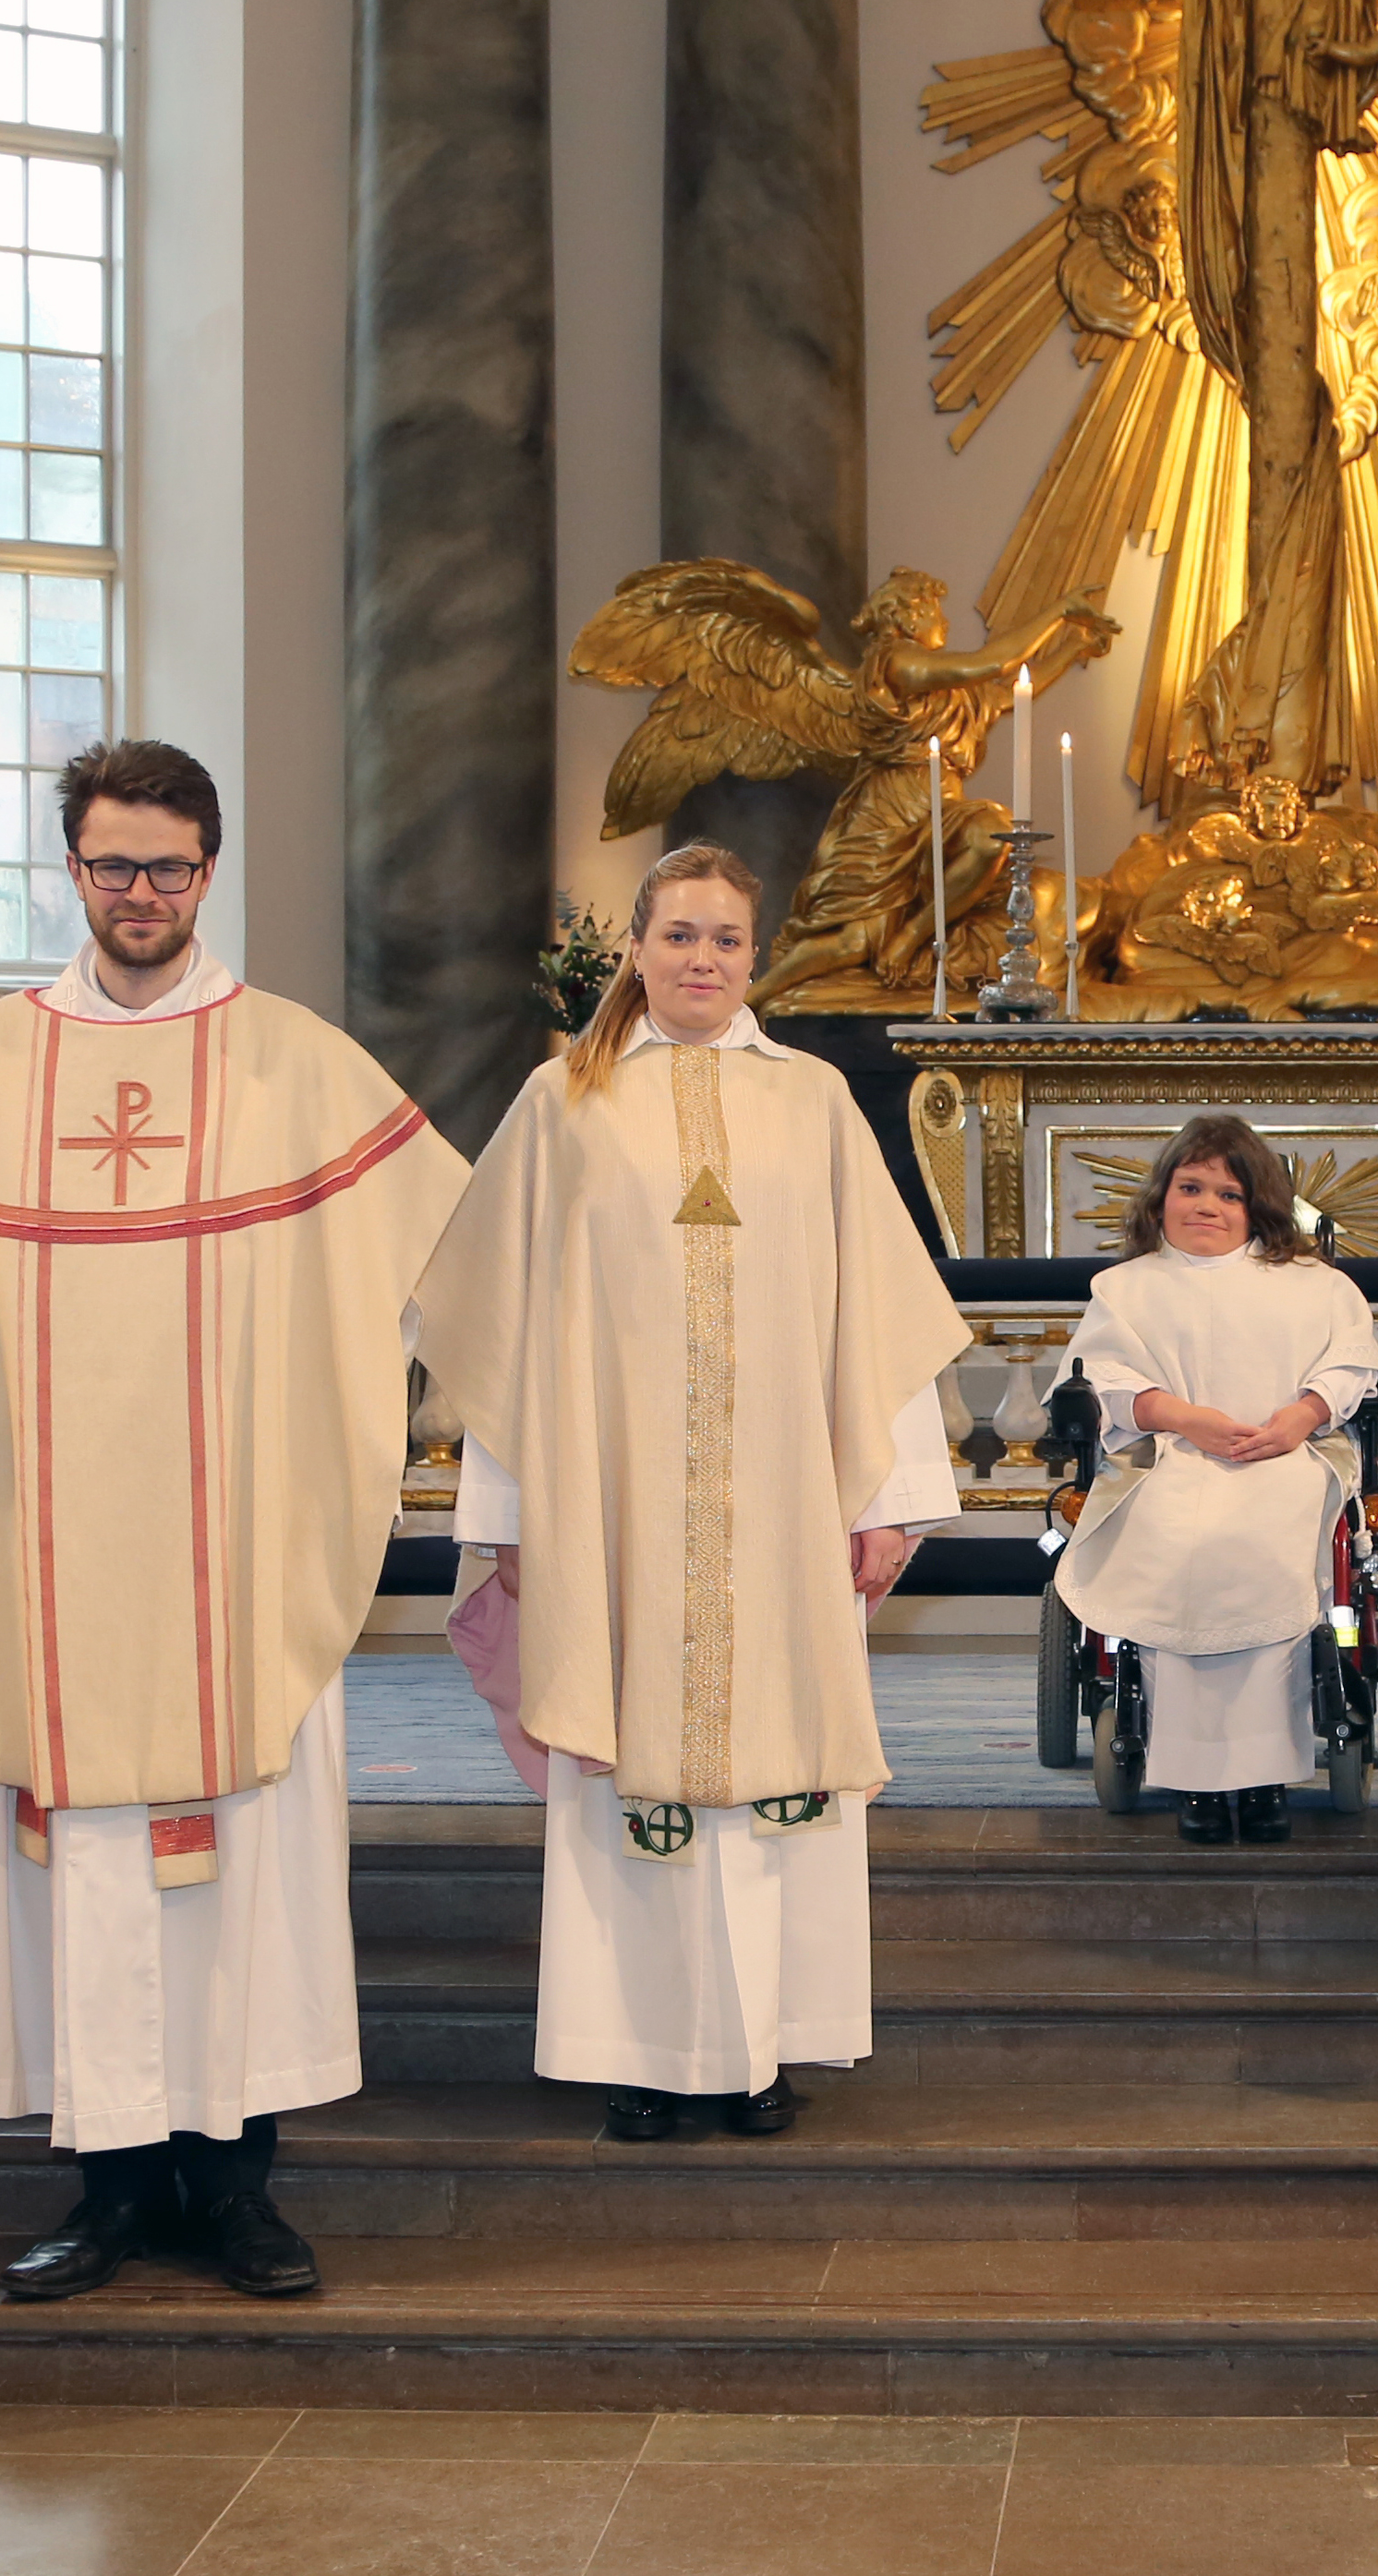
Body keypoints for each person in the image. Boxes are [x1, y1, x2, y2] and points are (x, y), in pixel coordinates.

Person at [0, 741, 468, 2300]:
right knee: (84, 1876)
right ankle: (108, 2184)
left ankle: (238, 2184)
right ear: (71, 867)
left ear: (209, 871)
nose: (138, 894)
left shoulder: (295, 1060)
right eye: (112, 864)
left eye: (168, 867)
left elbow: (437, 1259)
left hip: (238, 1558)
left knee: (243, 1870)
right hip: (46, 1554)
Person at [417, 844, 972, 2141]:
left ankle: (762, 2048)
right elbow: (508, 1331)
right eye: (676, 936)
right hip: (610, 1515)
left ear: (754, 953)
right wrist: (502, 1518)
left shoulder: (817, 1101)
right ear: (637, 949)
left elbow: (872, 1314)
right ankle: (639, 2052)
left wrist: (888, 1495)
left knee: (780, 1767)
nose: (701, 960)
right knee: (627, 1769)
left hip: (781, 1513)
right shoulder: (566, 1101)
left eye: (724, 939)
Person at [1048, 1116, 1378, 1845]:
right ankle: (1194, 1780)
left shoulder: (1316, 1286)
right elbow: (1099, 1379)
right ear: (1160, 1196)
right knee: (1180, 1539)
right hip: (1165, 1460)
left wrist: (1304, 1414)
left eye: (1228, 1194)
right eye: (1190, 1187)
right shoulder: (1125, 1288)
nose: (1206, 1206)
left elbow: (1354, 1365)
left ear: (1258, 1207)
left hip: (1285, 1461)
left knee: (1264, 1541)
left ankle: (1265, 1779)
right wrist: (1178, 1415)